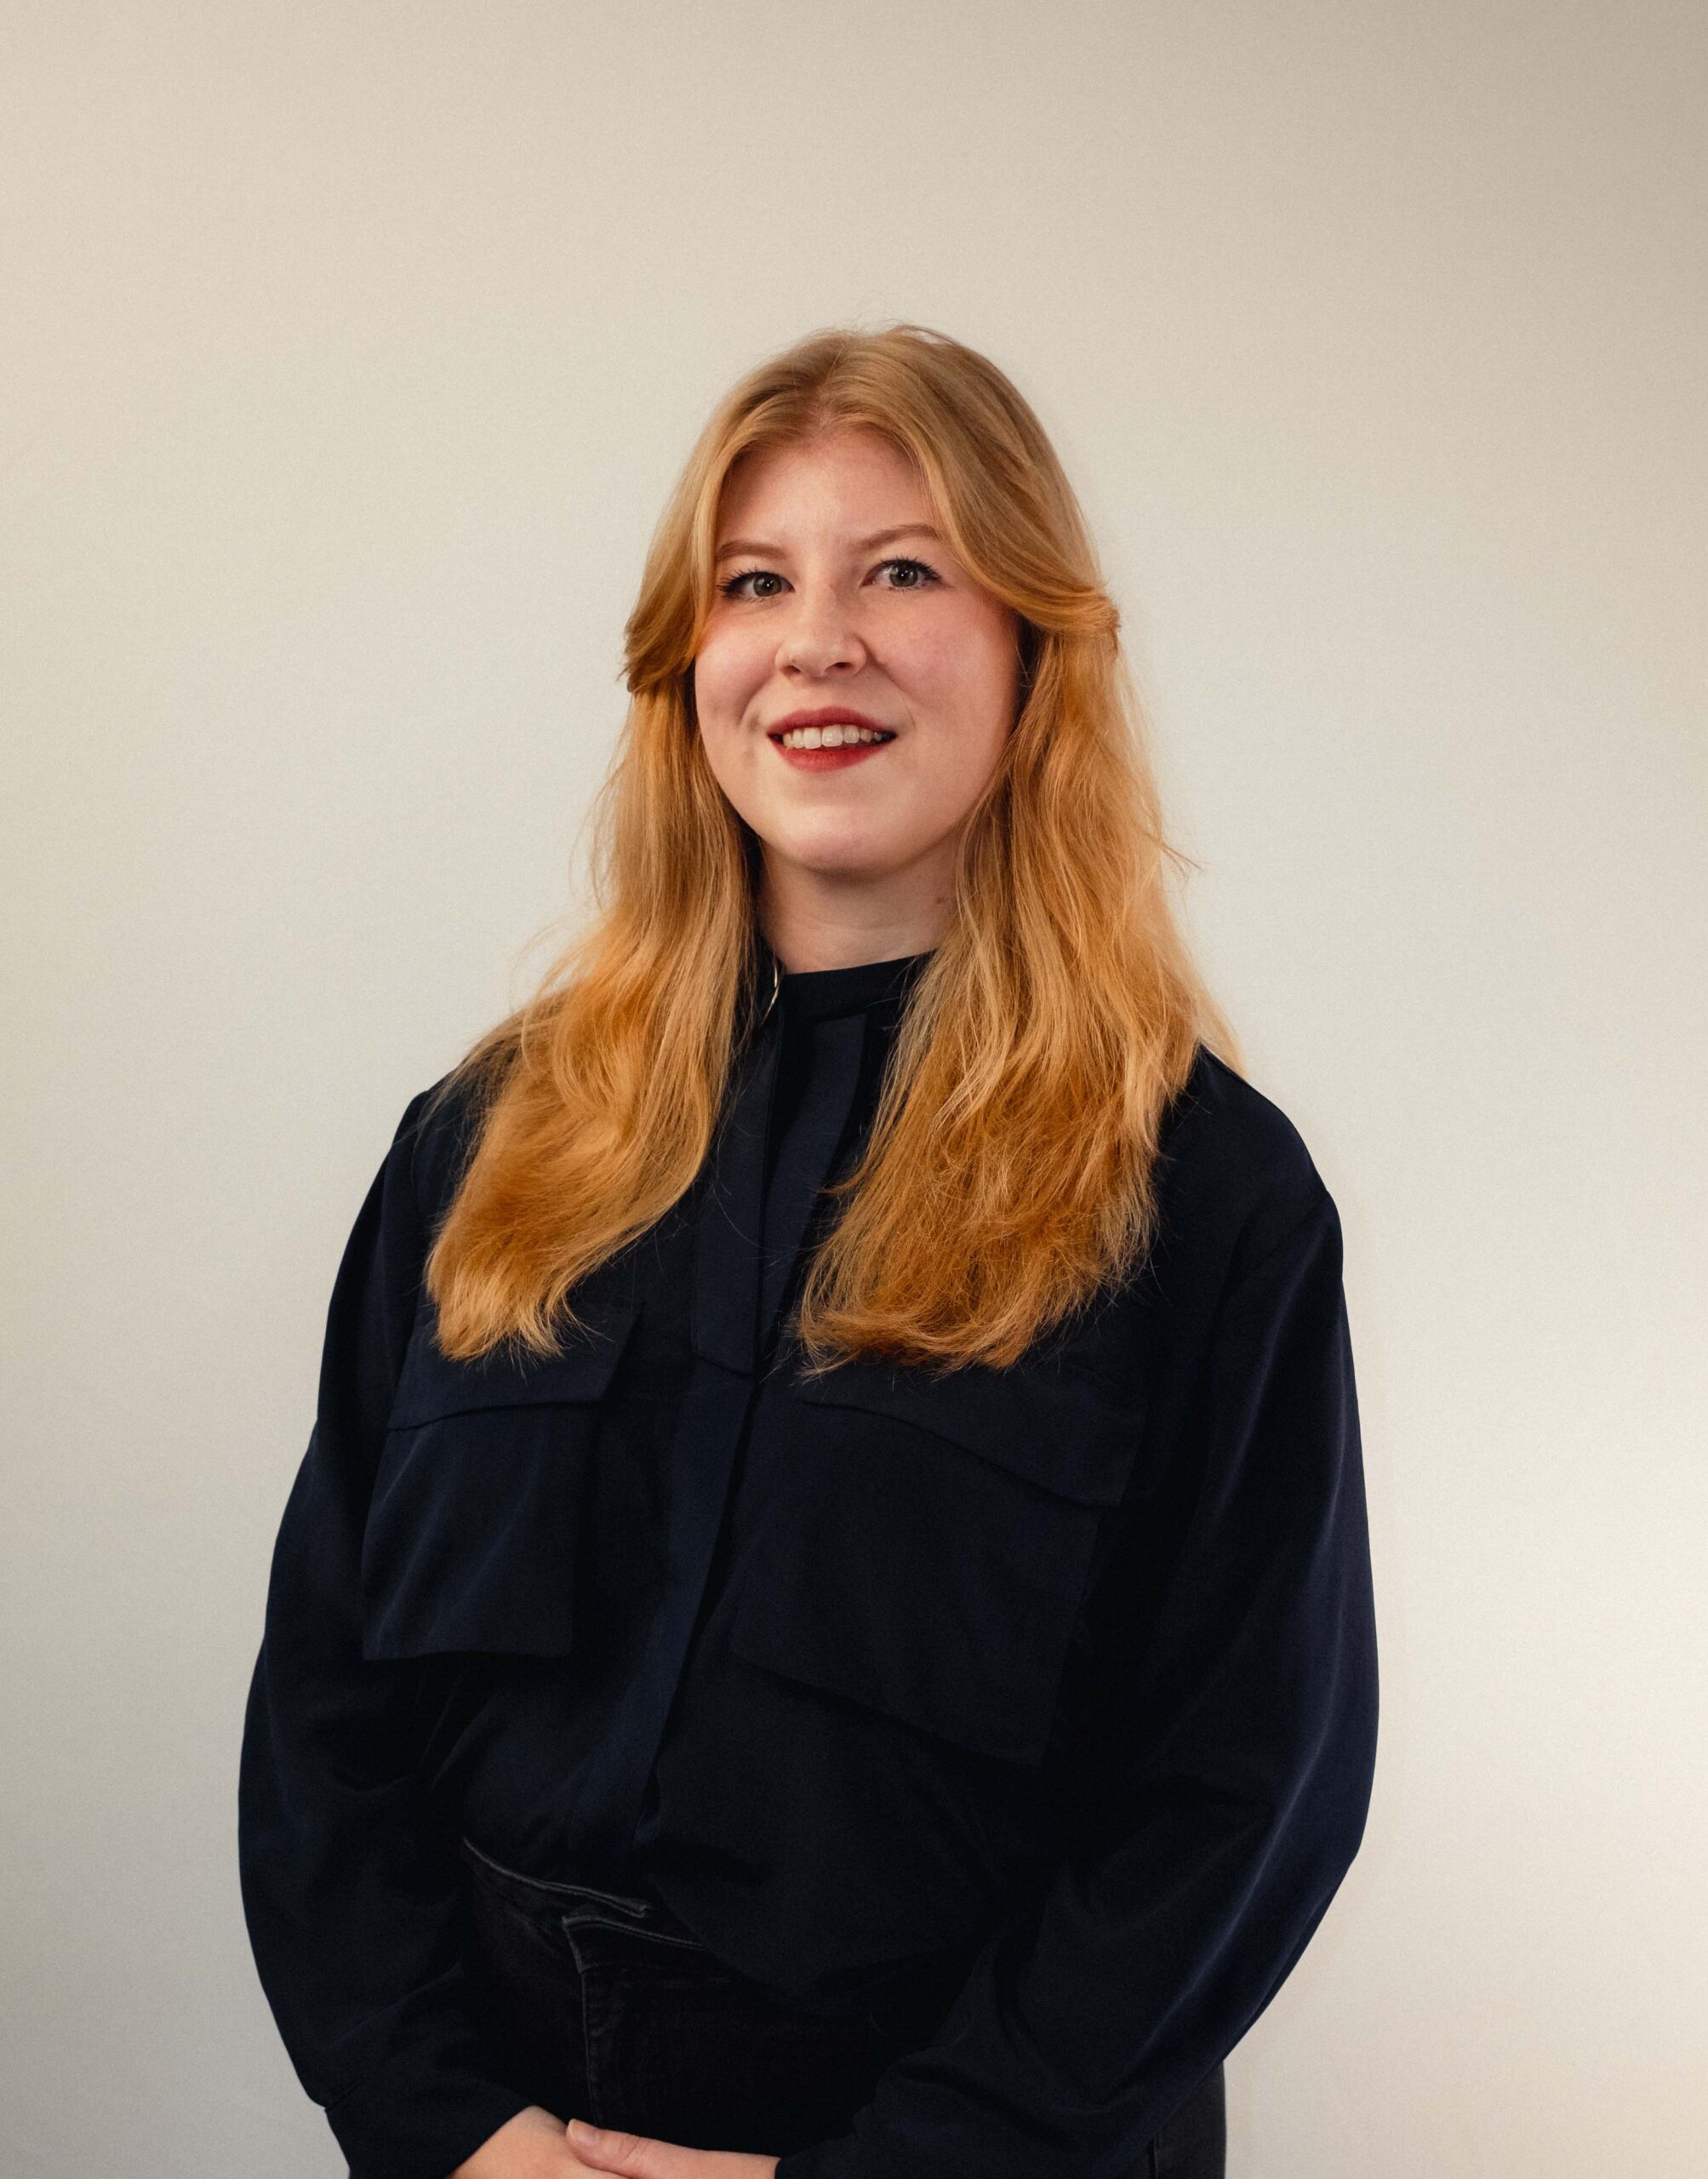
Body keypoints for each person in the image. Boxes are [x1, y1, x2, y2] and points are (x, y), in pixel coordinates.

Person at [237, 321, 1379, 2179]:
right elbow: (324, 1691)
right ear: (686, 662)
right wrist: (446, 2122)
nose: (815, 641)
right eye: (754, 582)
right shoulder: (488, 1140)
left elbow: (1240, 1796)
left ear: (1035, 647)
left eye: (903, 573)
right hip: (504, 2134)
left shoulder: (1203, 1197)